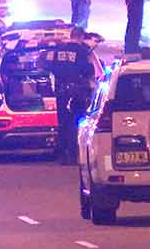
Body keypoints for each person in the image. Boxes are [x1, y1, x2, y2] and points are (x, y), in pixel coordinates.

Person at [42, 27, 104, 164]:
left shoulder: (58, 50)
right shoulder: (83, 52)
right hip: (77, 93)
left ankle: (63, 155)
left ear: (71, 35)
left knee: (63, 123)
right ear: (81, 37)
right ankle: (75, 154)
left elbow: (49, 66)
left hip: (61, 92)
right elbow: (89, 72)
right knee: (77, 122)